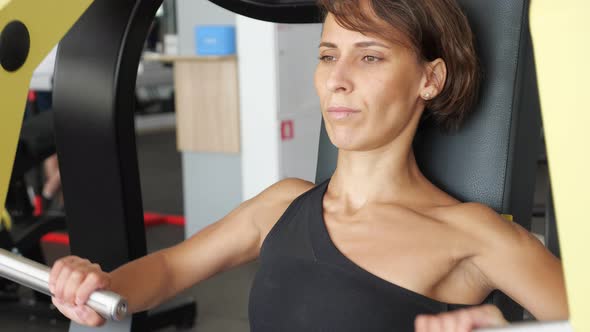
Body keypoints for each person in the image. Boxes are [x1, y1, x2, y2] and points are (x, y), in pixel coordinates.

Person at [48, 0, 568, 331]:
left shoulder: (473, 237)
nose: (337, 79)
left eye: (369, 57)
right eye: (327, 55)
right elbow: (167, 269)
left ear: (429, 80)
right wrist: (97, 283)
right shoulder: (282, 204)